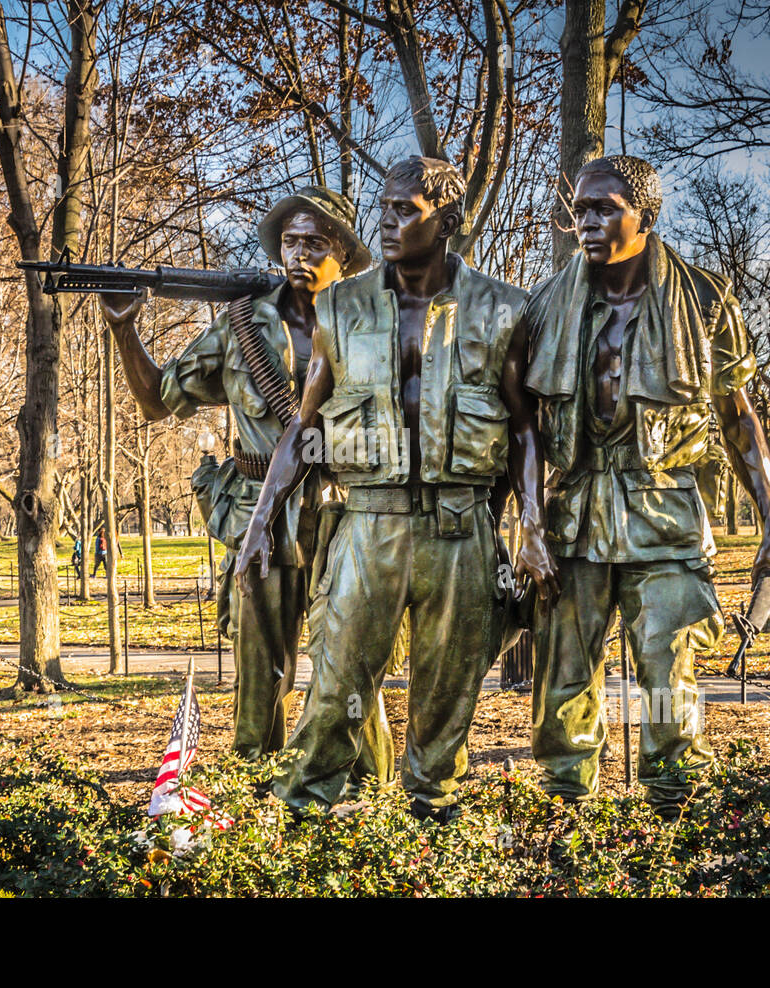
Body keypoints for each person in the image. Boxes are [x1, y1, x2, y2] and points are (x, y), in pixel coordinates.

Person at [237, 157, 558, 821]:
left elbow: (527, 431)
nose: (386, 221)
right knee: (333, 690)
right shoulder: (342, 306)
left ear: (448, 221)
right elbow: (304, 427)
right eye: (382, 207)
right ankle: (300, 832)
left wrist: (531, 527)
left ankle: (429, 838)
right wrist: (259, 517)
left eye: (406, 209)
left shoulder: (503, 309)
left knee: (447, 701)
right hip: (370, 525)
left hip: (461, 529)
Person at [520, 155, 770, 817]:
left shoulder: (705, 302)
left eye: (603, 208)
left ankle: (671, 837)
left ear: (645, 216)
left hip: (665, 517)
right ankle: (565, 833)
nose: (585, 221)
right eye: (579, 209)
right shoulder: (546, 304)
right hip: (572, 519)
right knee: (563, 689)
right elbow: (524, 426)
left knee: (668, 685)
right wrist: (528, 525)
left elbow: (739, 419)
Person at [100, 187, 394, 779]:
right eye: (290, 241)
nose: (299, 254)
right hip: (260, 510)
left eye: (315, 242)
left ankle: (373, 794)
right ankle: (255, 791)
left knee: (353, 662)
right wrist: (124, 329)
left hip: (347, 512)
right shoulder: (241, 323)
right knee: (261, 668)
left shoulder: (370, 324)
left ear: (343, 255)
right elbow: (158, 401)